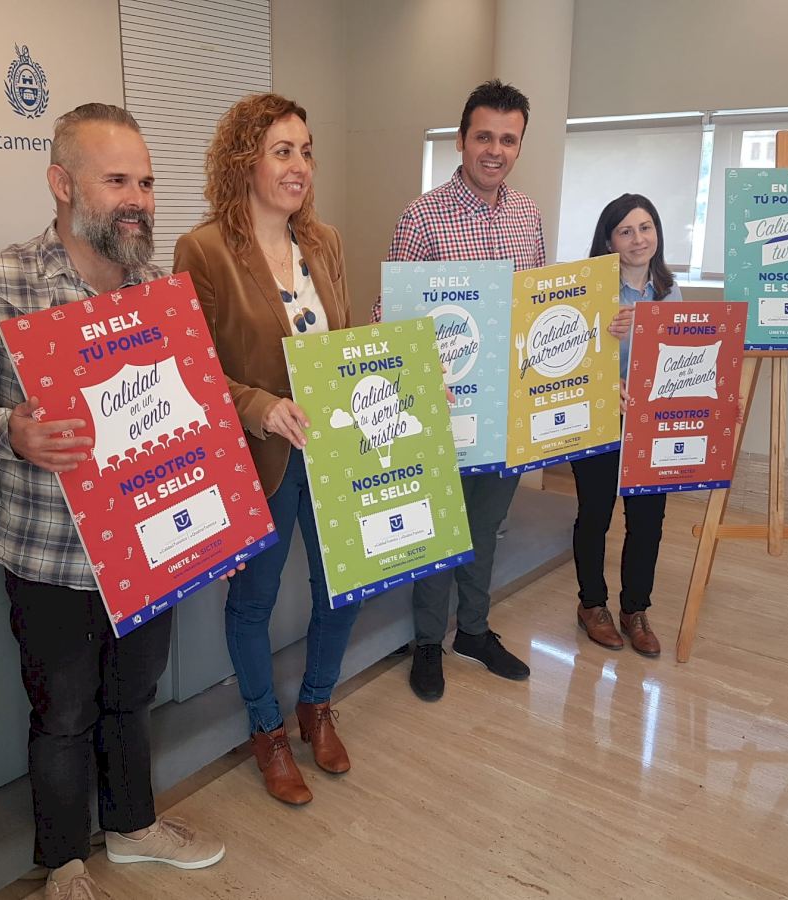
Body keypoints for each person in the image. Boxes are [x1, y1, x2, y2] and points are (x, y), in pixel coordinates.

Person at [0, 103, 224, 900]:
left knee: (133, 698)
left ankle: (134, 829)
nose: (137, 199)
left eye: (146, 182)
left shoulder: (160, 293)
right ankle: (65, 861)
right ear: (62, 183)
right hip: (50, 554)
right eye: (117, 181)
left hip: (148, 547)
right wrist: (5, 430)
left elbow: (186, 414)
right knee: (63, 715)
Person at [173, 93, 358, 806]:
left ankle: (317, 704)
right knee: (254, 600)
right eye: (282, 151)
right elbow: (188, 366)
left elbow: (343, 343)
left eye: (306, 152)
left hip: (332, 444)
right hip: (260, 454)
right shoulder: (204, 250)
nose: (299, 165)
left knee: (344, 585)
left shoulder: (325, 242)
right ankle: (267, 731)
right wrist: (258, 405)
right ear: (244, 160)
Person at [372, 79, 544, 701]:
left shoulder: (527, 216)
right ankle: (426, 642)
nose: (495, 150)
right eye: (484, 137)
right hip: (442, 406)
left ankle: (472, 631)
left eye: (508, 140)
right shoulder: (422, 217)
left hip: (503, 407)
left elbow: (533, 305)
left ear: (519, 145)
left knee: (486, 526)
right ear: (461, 140)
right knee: (438, 525)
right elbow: (388, 313)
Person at [572, 193, 683, 658]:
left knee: (648, 521)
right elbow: (567, 359)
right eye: (626, 231)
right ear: (609, 241)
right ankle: (591, 605)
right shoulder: (588, 289)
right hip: (598, 419)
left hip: (651, 424)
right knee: (595, 515)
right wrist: (603, 348)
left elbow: (680, 358)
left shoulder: (670, 291)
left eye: (646, 227)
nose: (638, 239)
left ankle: (635, 610)